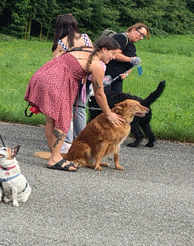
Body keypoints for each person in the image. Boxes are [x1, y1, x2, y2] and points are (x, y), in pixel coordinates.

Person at [25, 34, 125, 171]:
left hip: (42, 75)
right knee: (63, 121)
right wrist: (109, 114)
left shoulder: (84, 49)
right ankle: (54, 159)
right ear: (103, 49)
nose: (113, 57)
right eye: (113, 53)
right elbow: (99, 94)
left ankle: (55, 156)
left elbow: (60, 54)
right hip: (56, 83)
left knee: (51, 120)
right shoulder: (97, 65)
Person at [51, 13, 93, 147]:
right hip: (85, 79)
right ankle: (82, 140)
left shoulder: (61, 43)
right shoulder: (85, 38)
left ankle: (67, 142)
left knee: (66, 110)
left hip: (67, 80)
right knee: (80, 109)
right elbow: (92, 56)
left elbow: (55, 63)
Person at [104, 24, 149, 95]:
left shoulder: (132, 46)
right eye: (141, 34)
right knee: (104, 98)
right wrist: (130, 59)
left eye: (143, 36)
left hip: (117, 79)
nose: (141, 38)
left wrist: (126, 73)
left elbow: (132, 63)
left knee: (116, 100)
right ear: (133, 30)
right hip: (106, 76)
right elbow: (113, 54)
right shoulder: (121, 38)